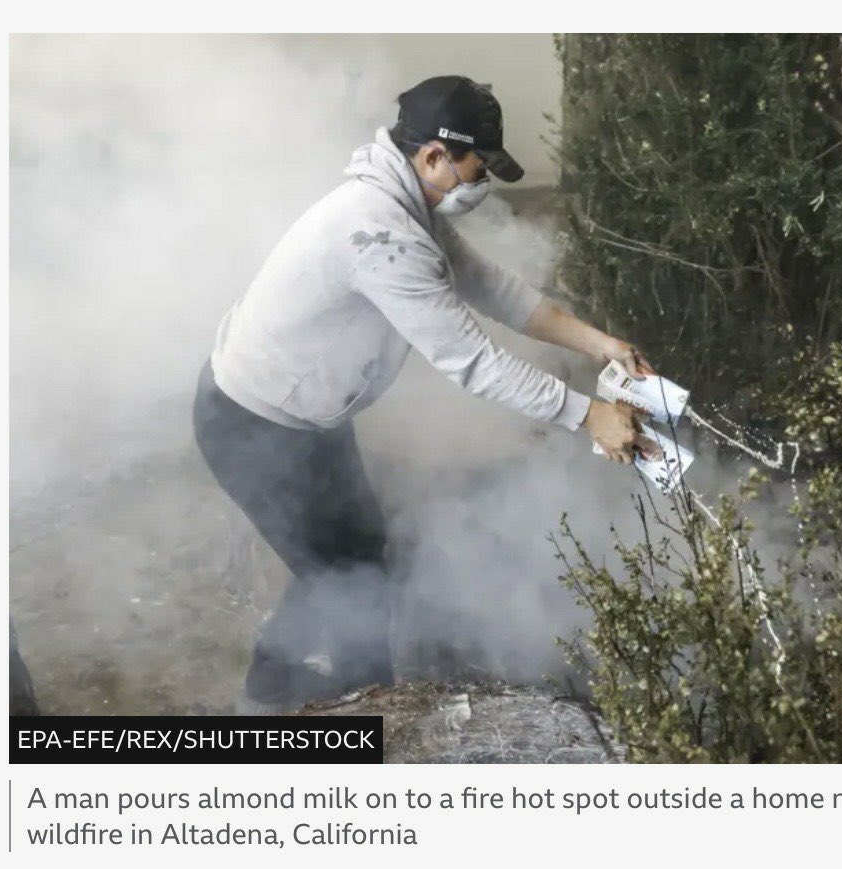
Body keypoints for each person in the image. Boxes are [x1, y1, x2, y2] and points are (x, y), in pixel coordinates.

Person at [193, 75, 656, 713]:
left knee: (355, 549)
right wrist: (589, 415)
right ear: (434, 155)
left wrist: (598, 343)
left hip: (313, 418)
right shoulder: (380, 235)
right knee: (352, 579)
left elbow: (494, 288)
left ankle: (285, 683)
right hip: (256, 424)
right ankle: (356, 716)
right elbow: (473, 362)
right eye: (476, 168)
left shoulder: (407, 205)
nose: (479, 183)